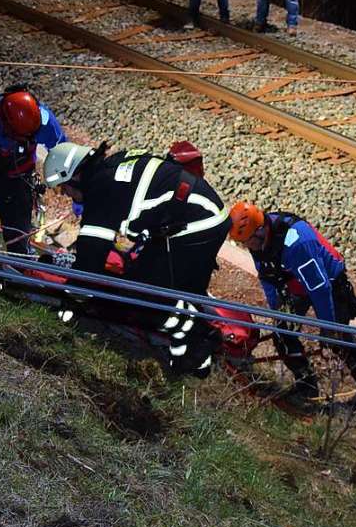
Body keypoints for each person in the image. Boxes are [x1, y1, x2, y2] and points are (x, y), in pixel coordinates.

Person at [42, 141, 230, 378]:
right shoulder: (108, 171)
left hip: (197, 226)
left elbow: (89, 261)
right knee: (142, 284)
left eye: (63, 188)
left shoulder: (102, 189)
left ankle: (199, 343)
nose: (66, 195)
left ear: (75, 176)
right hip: (185, 220)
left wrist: (70, 301)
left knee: (148, 300)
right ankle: (186, 357)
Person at [228, 202, 356, 413]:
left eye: (248, 242)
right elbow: (267, 277)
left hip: (328, 280)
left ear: (260, 231)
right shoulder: (259, 242)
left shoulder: (297, 243)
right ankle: (307, 385)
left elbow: (320, 288)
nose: (247, 248)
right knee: (283, 334)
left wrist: (328, 326)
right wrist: (277, 310)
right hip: (296, 283)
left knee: (336, 338)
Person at [0, 85, 67, 254]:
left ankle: (19, 263)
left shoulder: (44, 122)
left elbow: (64, 155)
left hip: (17, 177)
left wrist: (77, 195)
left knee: (17, 232)